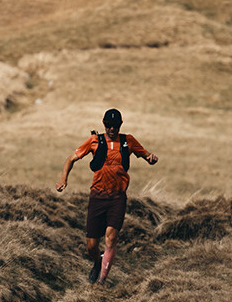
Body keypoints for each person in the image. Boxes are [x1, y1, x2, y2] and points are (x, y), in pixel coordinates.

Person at [56, 109, 158, 284]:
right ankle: (97, 262)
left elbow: (146, 155)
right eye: (109, 125)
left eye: (115, 125)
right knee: (91, 246)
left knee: (111, 237)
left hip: (118, 198)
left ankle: (101, 282)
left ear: (120, 125)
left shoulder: (129, 141)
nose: (112, 129)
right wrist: (63, 179)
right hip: (97, 196)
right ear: (104, 124)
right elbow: (70, 159)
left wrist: (150, 158)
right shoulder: (95, 140)